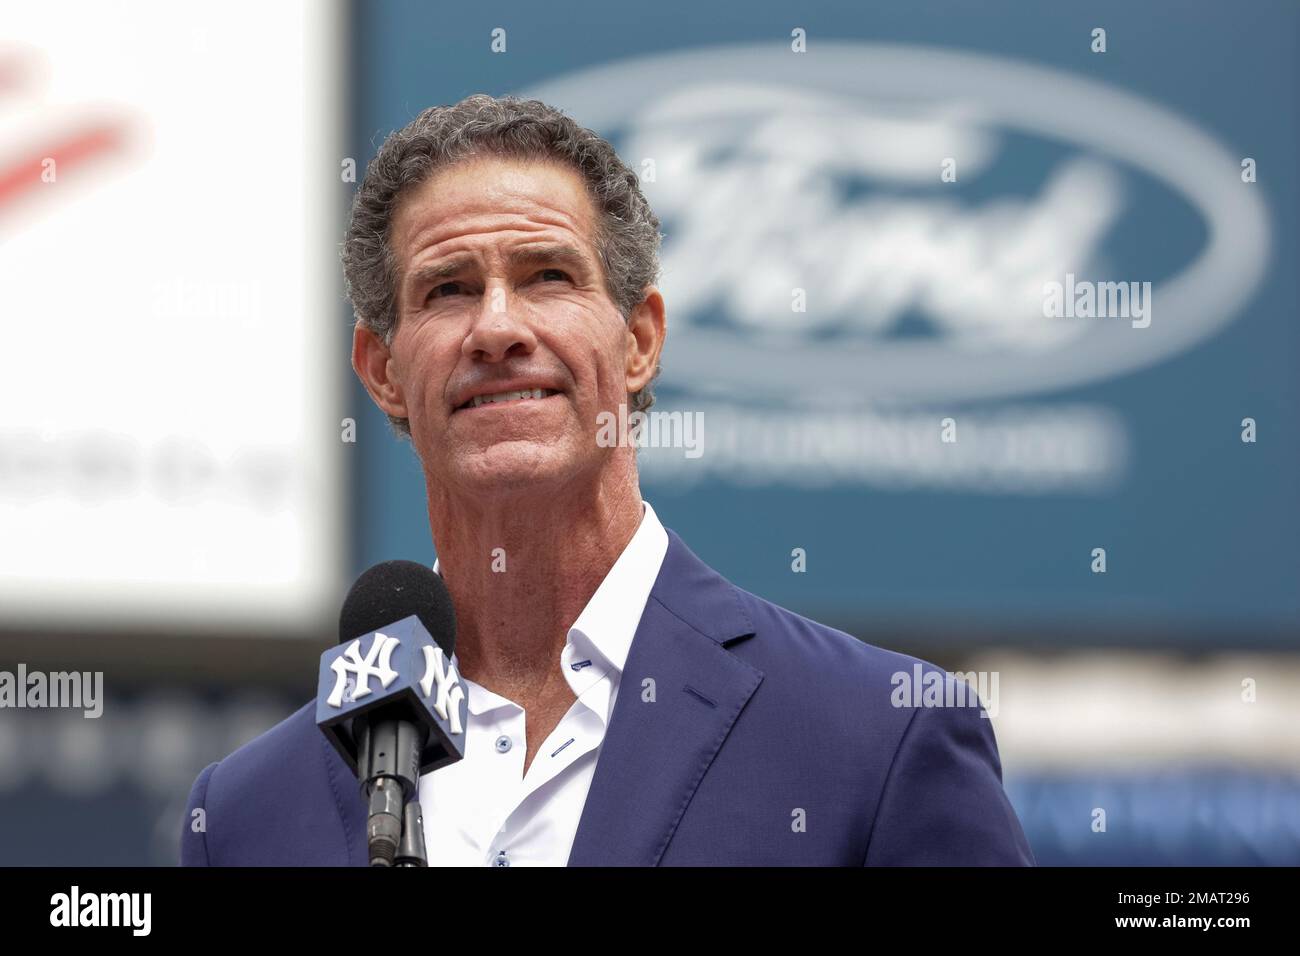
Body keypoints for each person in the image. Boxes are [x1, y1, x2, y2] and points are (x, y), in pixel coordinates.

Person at [180, 93, 1034, 866]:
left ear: (640, 341)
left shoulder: (877, 736)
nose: (498, 329)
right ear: (381, 371)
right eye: (448, 289)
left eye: (548, 276)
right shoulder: (250, 812)